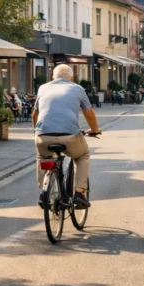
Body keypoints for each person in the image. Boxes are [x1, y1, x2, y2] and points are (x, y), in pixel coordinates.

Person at [32, 64, 101, 208]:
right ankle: (79, 193)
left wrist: (37, 131)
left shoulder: (43, 88)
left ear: (53, 76)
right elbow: (89, 113)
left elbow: (35, 114)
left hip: (43, 136)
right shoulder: (77, 89)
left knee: (42, 157)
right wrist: (94, 129)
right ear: (71, 77)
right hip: (69, 136)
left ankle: (44, 193)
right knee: (82, 155)